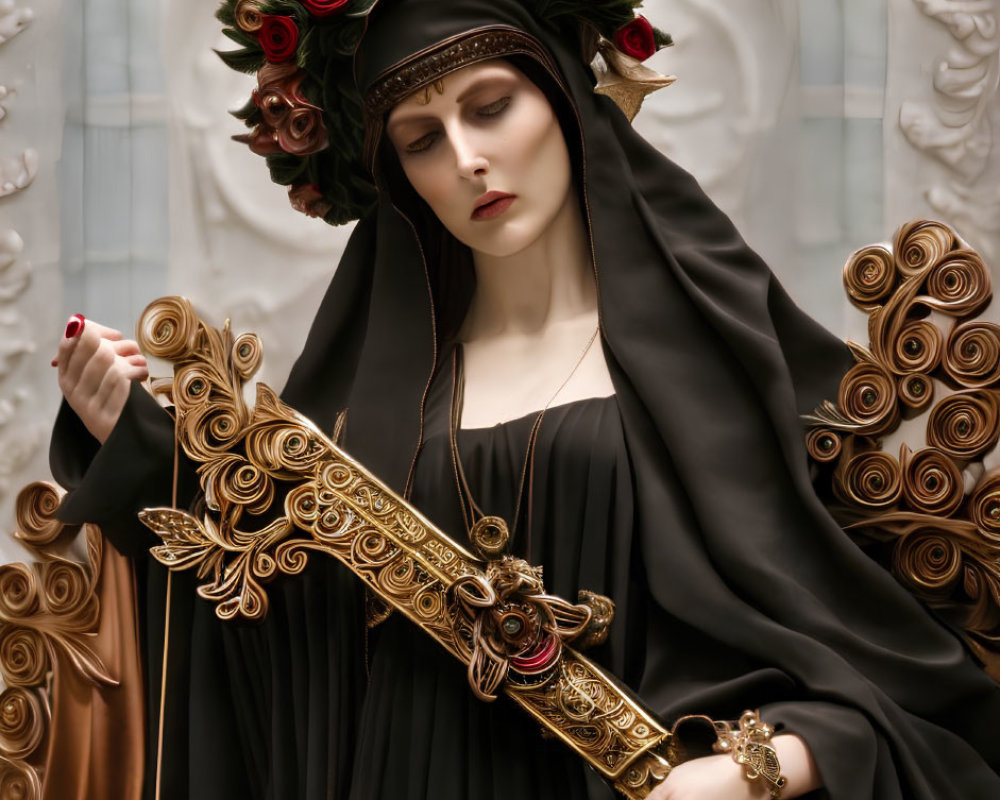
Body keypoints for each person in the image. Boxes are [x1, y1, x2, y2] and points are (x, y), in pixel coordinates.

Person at [48, 0, 1000, 798]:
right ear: (400, 180)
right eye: (422, 139)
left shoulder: (716, 368)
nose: (465, 158)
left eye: (491, 106)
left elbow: (896, 680)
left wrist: (759, 766)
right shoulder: (361, 416)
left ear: (565, 99)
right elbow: (279, 659)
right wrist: (141, 453)